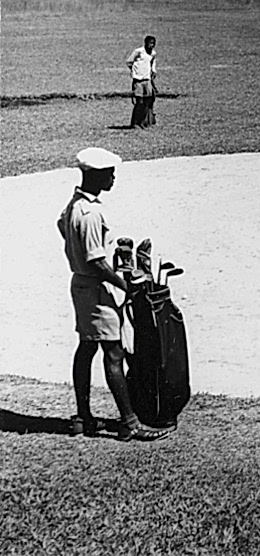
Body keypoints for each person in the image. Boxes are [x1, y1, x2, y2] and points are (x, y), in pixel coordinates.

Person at [59, 147, 171, 441]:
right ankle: (130, 423)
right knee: (113, 352)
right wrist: (127, 286)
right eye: (109, 173)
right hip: (96, 289)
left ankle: (84, 418)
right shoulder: (91, 213)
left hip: (81, 285)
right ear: (95, 176)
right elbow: (97, 262)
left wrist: (78, 255)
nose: (113, 178)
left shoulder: (74, 205)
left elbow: (62, 227)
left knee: (86, 348)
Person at [126, 35, 158, 128]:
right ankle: (135, 122)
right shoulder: (138, 52)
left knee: (147, 101)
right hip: (138, 80)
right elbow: (129, 62)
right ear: (145, 43)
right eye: (150, 43)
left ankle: (143, 121)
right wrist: (135, 72)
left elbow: (153, 63)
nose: (151, 45)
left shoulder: (153, 53)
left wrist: (153, 71)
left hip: (147, 80)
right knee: (139, 102)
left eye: (153, 43)